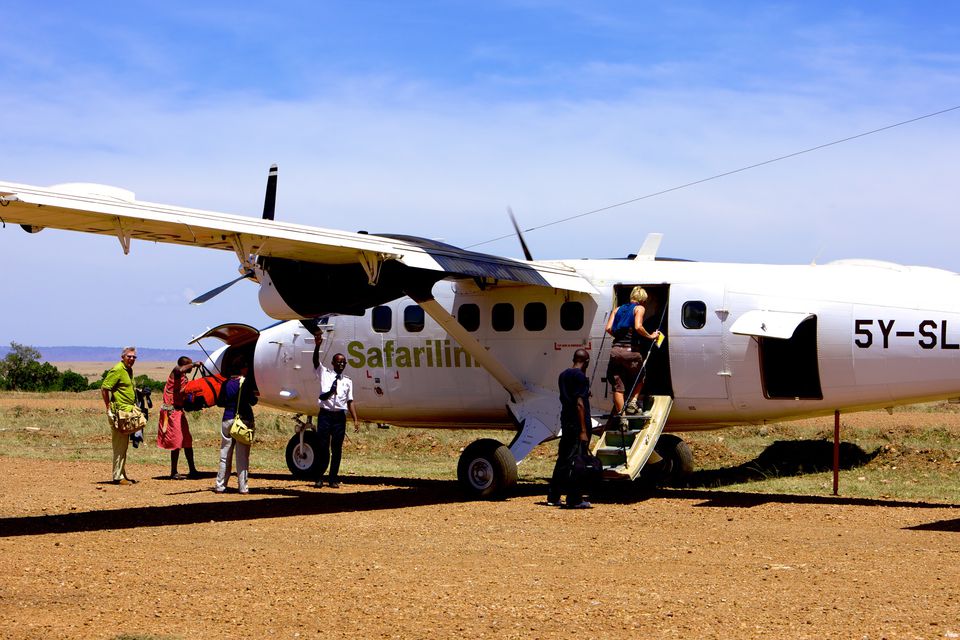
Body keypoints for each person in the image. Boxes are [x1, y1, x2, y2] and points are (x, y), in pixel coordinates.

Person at [604, 286, 661, 423]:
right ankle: (633, 402)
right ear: (643, 300)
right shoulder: (639, 308)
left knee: (618, 386)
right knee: (640, 376)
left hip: (616, 351)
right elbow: (638, 327)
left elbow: (608, 328)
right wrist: (651, 336)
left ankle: (622, 418)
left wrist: (618, 336)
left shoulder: (617, 309)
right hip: (631, 351)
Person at [312, 330, 359, 489]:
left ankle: (333, 479)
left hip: (339, 417)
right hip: (325, 415)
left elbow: (350, 401)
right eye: (338, 362)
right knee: (322, 447)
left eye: (343, 362)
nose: (341, 364)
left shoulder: (348, 381)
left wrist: (355, 419)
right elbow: (315, 362)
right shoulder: (324, 373)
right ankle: (319, 477)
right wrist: (317, 346)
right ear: (332, 363)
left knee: (337, 449)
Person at [547, 349, 594, 508]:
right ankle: (575, 499)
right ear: (586, 362)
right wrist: (583, 431)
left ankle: (553, 496)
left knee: (563, 459)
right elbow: (579, 404)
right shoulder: (580, 377)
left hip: (566, 421)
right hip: (577, 423)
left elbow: (571, 397)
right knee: (578, 462)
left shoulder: (563, 375)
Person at [215, 357, 258, 494]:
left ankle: (220, 486)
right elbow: (253, 401)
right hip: (242, 422)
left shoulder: (226, 383)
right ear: (243, 369)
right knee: (242, 456)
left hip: (227, 420)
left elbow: (220, 402)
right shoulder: (245, 383)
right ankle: (243, 487)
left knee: (224, 455)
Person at [100, 346, 142, 485]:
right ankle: (118, 476)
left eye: (134, 357)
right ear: (122, 357)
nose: (131, 359)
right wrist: (108, 407)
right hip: (119, 413)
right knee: (119, 445)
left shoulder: (128, 370)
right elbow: (105, 388)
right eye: (129, 356)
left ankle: (122, 474)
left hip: (127, 412)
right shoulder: (118, 369)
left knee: (123, 445)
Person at [157, 356, 203, 479]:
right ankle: (173, 472)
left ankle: (192, 470)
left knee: (187, 440)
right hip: (171, 412)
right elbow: (180, 369)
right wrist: (194, 364)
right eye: (188, 366)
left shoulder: (183, 377)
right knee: (176, 441)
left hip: (179, 411)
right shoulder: (176, 372)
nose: (191, 369)